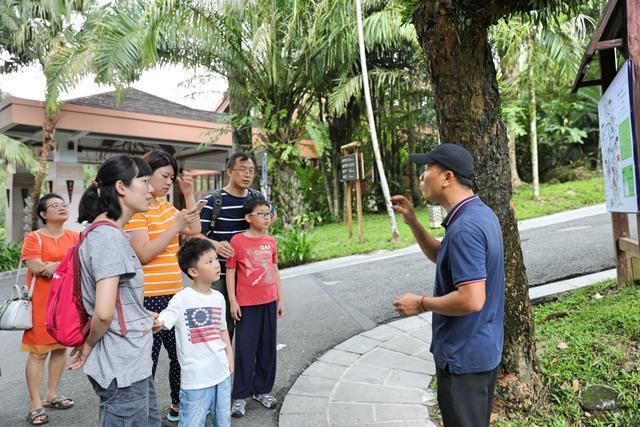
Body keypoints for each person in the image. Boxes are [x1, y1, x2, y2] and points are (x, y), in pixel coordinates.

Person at [391, 143, 505, 427]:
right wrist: (413, 222)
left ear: (447, 177)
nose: (422, 176)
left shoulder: (465, 228)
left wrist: (420, 303)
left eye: (428, 169)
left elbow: (471, 299)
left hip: (464, 356)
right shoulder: (478, 214)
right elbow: (442, 255)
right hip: (480, 349)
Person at [68, 154, 162, 426]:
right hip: (122, 366)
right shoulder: (108, 238)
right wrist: (88, 345)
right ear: (122, 187)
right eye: (144, 181)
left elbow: (118, 302)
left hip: (131, 361)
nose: (151, 189)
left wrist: (143, 317)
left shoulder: (105, 233)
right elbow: (104, 312)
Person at [124, 149, 202, 422]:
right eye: (165, 176)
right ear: (147, 174)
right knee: (148, 362)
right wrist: (174, 227)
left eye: (172, 177)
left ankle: (177, 405)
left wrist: (188, 194)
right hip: (149, 298)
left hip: (174, 295)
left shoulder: (166, 207)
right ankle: (144, 415)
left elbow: (193, 231)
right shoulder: (138, 209)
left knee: (181, 356)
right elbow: (143, 253)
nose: (169, 182)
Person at [156, 238, 234, 427]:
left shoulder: (218, 298)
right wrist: (156, 322)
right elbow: (166, 318)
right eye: (209, 262)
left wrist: (230, 357)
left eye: (215, 259)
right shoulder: (182, 299)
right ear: (193, 272)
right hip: (196, 380)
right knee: (192, 422)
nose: (216, 265)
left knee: (223, 421)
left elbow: (222, 331)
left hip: (221, 373)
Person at [199, 152, 272, 340]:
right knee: (223, 329)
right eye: (242, 170)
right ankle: (225, 368)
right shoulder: (212, 201)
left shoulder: (257, 197)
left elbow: (271, 215)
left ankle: (246, 369)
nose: (248, 175)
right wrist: (215, 244)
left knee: (251, 331)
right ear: (229, 172)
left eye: (251, 171)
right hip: (221, 276)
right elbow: (194, 235)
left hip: (252, 276)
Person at [21, 193, 79, 425]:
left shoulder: (75, 236)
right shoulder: (34, 238)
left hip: (66, 302)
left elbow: (81, 264)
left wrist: (52, 266)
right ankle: (35, 404)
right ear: (44, 214)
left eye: (63, 204)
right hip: (41, 303)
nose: (61, 208)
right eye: (54, 206)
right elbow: (36, 267)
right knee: (37, 353)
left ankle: (52, 394)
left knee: (59, 348)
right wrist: (65, 265)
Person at [226, 198, 284, 418]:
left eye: (268, 212)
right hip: (247, 305)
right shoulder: (237, 242)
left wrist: (280, 300)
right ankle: (240, 396)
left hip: (269, 302)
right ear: (248, 218)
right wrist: (233, 301)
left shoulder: (270, 241)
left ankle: (263, 390)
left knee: (267, 348)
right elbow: (231, 272)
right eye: (261, 213)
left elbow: (275, 271)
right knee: (245, 350)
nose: (267, 216)